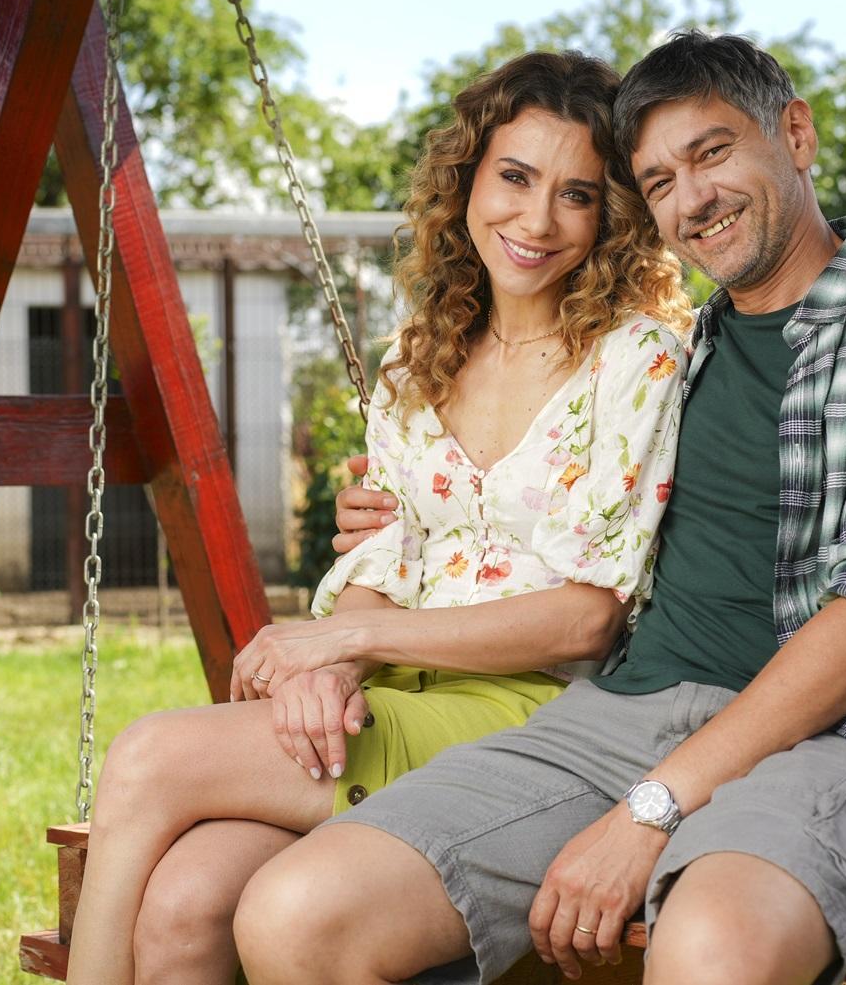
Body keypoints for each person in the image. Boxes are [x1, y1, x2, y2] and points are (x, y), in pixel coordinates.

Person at [235, 30, 846, 985]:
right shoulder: (679, 351)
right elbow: (549, 502)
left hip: (840, 740)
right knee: (297, 914)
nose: (691, 198)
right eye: (658, 181)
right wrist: (399, 515)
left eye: (712, 152)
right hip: (618, 716)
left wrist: (653, 806)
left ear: (795, 133)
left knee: (708, 948)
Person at [64, 50, 692, 985]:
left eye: (577, 194)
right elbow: (383, 557)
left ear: (612, 218)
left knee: (148, 757)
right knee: (186, 899)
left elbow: (586, 618)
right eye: (514, 177)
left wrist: (342, 640)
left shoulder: (634, 361)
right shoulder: (417, 356)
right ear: (467, 179)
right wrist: (333, 666)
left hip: (531, 715)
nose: (535, 220)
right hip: (390, 689)